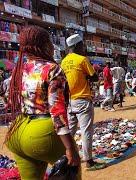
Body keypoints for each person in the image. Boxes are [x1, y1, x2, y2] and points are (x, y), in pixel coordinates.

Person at [4, 26, 80, 179]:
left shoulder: (18, 69)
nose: (53, 46)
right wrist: (70, 147)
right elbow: (57, 112)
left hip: (17, 132)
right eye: (50, 42)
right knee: (73, 169)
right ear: (44, 45)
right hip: (43, 134)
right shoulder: (52, 69)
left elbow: (7, 96)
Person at [61, 34, 106, 170]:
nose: (83, 48)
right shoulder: (82, 59)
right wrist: (86, 76)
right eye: (82, 45)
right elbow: (94, 77)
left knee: (69, 132)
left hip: (70, 102)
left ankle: (65, 158)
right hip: (83, 100)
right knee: (86, 131)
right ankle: (89, 162)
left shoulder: (63, 62)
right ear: (77, 46)